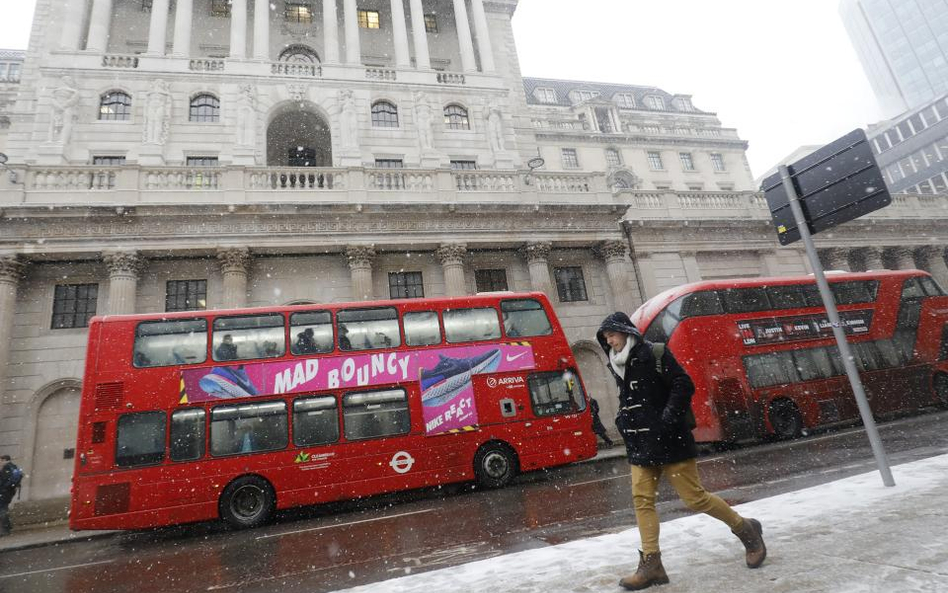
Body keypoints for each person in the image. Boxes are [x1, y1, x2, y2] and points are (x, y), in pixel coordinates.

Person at [596, 312, 766, 590]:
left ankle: (746, 530)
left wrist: (666, 420)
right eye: (605, 338)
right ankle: (652, 565)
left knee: (695, 498)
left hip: (668, 440)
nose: (609, 340)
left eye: (611, 334)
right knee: (642, 501)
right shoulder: (617, 365)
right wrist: (623, 422)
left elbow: (683, 384)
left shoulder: (653, 353)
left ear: (625, 332)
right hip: (640, 444)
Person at [0, 455, 20, 536]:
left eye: (1, 460)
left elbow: (3, 481)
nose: (0, 462)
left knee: (2, 509)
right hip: (9, 492)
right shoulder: (13, 466)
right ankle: (7, 527)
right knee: (4, 508)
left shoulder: (6, 468)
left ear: (5, 460)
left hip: (4, 492)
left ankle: (5, 529)